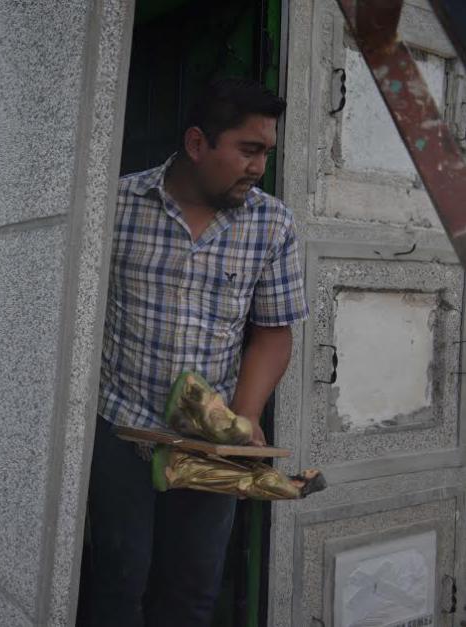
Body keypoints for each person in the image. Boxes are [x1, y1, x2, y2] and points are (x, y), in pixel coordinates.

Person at [85, 77, 309, 625]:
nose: (259, 167)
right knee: (115, 585)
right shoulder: (115, 204)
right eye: (248, 150)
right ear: (196, 143)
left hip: (212, 446)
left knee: (192, 595)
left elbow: (273, 333)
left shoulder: (272, 223)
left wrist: (245, 419)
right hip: (123, 430)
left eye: (266, 152)